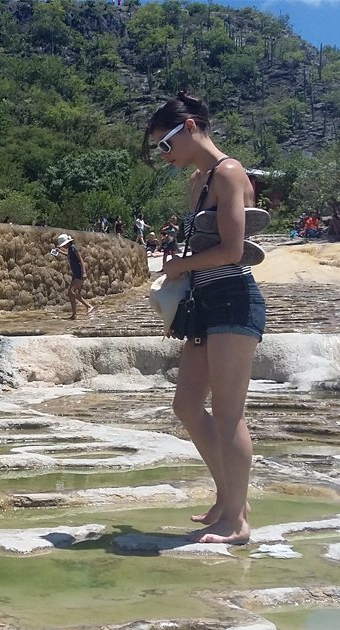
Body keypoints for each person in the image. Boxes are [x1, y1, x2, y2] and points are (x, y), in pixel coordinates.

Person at [146, 91, 265, 545]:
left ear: (191, 127)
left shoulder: (229, 173)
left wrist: (177, 268)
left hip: (234, 300)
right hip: (204, 305)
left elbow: (234, 251)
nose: (165, 156)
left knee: (229, 413)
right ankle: (230, 498)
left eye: (165, 145)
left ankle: (236, 521)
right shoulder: (199, 182)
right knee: (187, 405)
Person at [55, 234, 94, 319]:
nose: (63, 246)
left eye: (63, 245)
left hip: (79, 272)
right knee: (72, 293)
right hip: (75, 273)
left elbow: (81, 260)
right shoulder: (70, 249)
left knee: (71, 292)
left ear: (67, 243)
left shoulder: (73, 248)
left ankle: (86, 308)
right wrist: (60, 251)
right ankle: (76, 313)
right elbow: (69, 255)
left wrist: (84, 272)